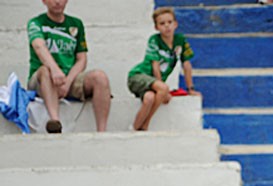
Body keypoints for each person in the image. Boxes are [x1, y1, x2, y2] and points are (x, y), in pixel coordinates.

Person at [27, 0, 111, 133]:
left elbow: (81, 59)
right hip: (42, 80)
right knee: (45, 70)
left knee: (100, 77)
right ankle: (55, 122)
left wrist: (67, 82)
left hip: (68, 79)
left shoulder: (76, 24)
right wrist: (54, 69)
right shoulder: (36, 23)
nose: (57, 2)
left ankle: (102, 132)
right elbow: (39, 46)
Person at [127, 7, 200, 131]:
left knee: (149, 98)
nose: (167, 26)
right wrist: (163, 89)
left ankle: (134, 128)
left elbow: (186, 64)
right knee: (163, 88)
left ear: (175, 24)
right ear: (156, 27)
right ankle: (146, 124)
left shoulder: (180, 40)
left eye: (170, 22)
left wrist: (190, 88)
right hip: (137, 77)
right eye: (162, 23)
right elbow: (155, 65)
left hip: (152, 84)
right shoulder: (154, 40)